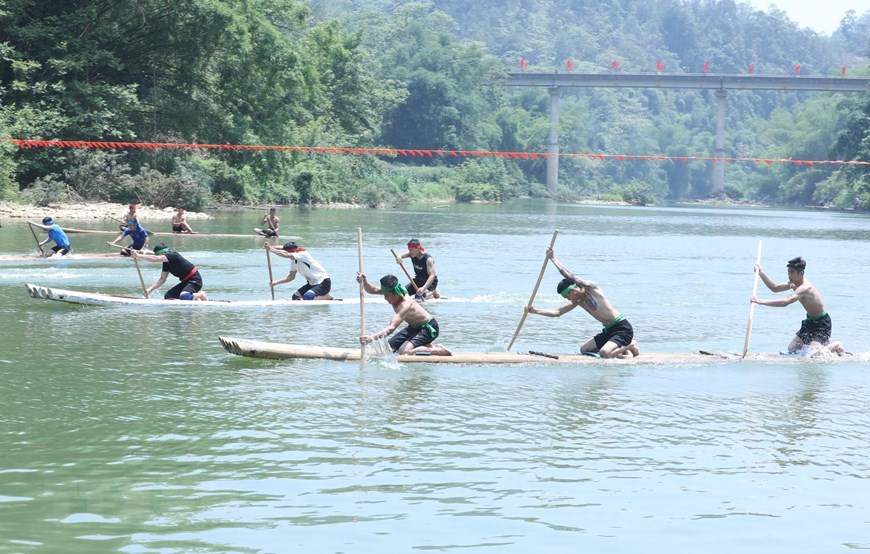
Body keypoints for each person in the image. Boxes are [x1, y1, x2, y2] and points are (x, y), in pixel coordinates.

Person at [526, 248, 639, 358]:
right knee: (584, 350)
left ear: (573, 290)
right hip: (608, 330)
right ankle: (621, 349)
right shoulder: (578, 301)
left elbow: (571, 277)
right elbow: (558, 312)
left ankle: (630, 345)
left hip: (622, 328)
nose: (568, 299)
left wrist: (553, 258)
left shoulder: (592, 288)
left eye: (567, 296)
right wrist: (535, 311)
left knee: (604, 353)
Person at [751, 256, 844, 356]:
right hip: (810, 322)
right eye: (788, 272)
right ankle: (824, 344)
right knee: (792, 348)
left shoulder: (805, 288)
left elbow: (785, 302)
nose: (789, 275)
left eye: (792, 272)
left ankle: (836, 345)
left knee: (813, 354)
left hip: (822, 323)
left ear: (801, 273)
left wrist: (760, 301)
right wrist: (761, 273)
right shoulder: (794, 283)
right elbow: (775, 288)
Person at [356, 273, 451, 355]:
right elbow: (373, 290)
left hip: (429, 328)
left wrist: (371, 337)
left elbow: (391, 328)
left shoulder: (405, 305)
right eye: (384, 294)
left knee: (404, 351)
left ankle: (437, 350)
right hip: (414, 328)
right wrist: (364, 281)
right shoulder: (392, 291)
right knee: (387, 349)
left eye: (387, 296)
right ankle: (425, 345)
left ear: (396, 293)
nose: (385, 298)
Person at [131, 243, 208, 300]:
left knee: (183, 296)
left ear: (164, 252)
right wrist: (149, 290)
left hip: (195, 280)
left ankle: (201, 295)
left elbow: (154, 259)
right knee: (168, 296)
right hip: (185, 282)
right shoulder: (166, 264)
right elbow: (162, 279)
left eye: (159, 255)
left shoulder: (173, 255)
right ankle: (193, 298)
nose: (159, 257)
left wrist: (138, 256)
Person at [265, 242, 333, 300]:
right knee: (295, 297)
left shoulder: (303, 254)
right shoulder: (293, 261)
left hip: (323, 282)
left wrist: (271, 249)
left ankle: (326, 296)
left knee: (308, 297)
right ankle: (317, 296)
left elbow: (285, 254)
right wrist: (276, 282)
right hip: (312, 284)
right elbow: (291, 277)